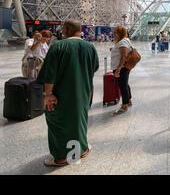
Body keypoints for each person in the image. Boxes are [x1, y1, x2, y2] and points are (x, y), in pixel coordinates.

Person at [37, 19, 99, 167]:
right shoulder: (90, 47)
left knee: (58, 124)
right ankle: (81, 149)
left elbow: (50, 74)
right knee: (79, 121)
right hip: (83, 92)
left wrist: (48, 94)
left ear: (65, 29)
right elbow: (94, 68)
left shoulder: (58, 46)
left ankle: (61, 158)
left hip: (61, 95)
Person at [110, 26, 133, 115]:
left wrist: (118, 69)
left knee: (122, 86)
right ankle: (129, 100)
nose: (114, 34)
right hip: (123, 67)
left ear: (120, 33)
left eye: (116, 32)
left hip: (121, 68)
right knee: (125, 84)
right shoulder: (124, 40)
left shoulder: (123, 42)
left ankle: (125, 105)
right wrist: (114, 50)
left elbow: (123, 56)